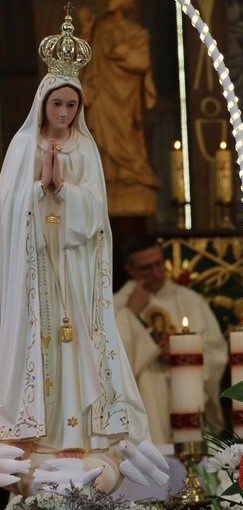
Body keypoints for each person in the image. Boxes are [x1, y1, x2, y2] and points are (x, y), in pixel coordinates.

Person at [0, 11, 149, 494]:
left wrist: (64, 190)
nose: (63, 113)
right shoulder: (22, 146)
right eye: (56, 104)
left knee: (76, 348)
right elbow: (8, 207)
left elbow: (97, 214)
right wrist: (37, 190)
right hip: (36, 274)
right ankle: (34, 440)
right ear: (42, 103)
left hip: (76, 272)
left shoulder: (86, 149)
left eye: (70, 105)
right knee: (38, 348)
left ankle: (81, 438)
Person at [113, 235, 228, 444]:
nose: (156, 273)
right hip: (147, 404)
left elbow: (217, 352)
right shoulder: (117, 306)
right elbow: (110, 363)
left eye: (158, 264)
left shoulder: (189, 300)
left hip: (189, 405)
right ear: (130, 270)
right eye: (147, 268)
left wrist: (183, 357)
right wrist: (130, 313)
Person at [78, 0, 158, 217]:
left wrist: (121, 53)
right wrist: (86, 28)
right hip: (101, 95)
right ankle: (107, 177)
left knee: (126, 138)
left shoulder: (135, 32)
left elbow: (142, 62)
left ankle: (130, 175)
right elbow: (84, 57)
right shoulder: (98, 27)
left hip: (126, 100)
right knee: (100, 134)